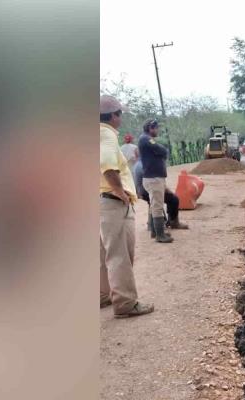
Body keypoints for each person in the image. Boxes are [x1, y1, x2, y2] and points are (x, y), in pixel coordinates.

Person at [99, 95, 154, 318]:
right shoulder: (107, 135)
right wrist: (120, 192)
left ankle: (103, 296)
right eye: (120, 114)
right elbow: (106, 164)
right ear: (114, 116)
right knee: (120, 254)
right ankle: (125, 304)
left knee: (103, 253)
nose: (120, 118)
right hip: (111, 202)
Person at [138, 118, 174, 243]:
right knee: (157, 206)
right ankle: (160, 235)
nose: (157, 130)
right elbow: (163, 151)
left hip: (154, 178)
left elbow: (161, 151)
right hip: (153, 179)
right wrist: (162, 152)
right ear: (150, 128)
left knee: (155, 204)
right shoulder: (146, 139)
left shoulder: (146, 139)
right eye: (156, 128)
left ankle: (155, 232)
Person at [133, 160, 189, 238]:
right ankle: (173, 223)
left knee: (153, 203)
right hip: (150, 191)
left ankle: (151, 225)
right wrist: (169, 192)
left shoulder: (137, 164)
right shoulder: (152, 164)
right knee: (174, 199)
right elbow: (159, 183)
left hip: (141, 192)